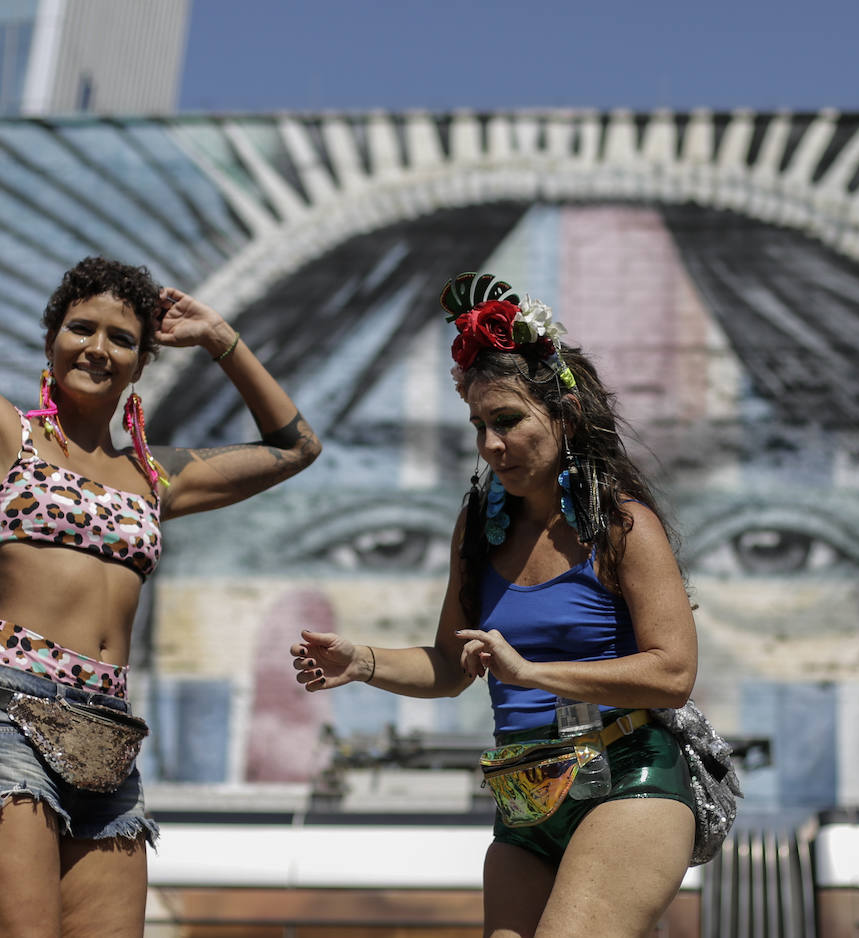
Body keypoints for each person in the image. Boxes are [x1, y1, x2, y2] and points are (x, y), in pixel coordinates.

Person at [0, 84, 321, 937]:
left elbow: (296, 447)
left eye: (120, 338)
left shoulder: (153, 475)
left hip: (112, 742)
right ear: (50, 340)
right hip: (7, 716)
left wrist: (222, 339)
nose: (97, 347)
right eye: (80, 327)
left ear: (141, 363)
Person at [291, 273, 698, 938]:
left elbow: (673, 676)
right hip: (526, 796)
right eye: (479, 425)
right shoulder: (480, 528)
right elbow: (453, 668)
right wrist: (361, 660)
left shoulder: (623, 526)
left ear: (562, 416)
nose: (489, 445)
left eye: (506, 421)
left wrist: (532, 672)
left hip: (627, 777)